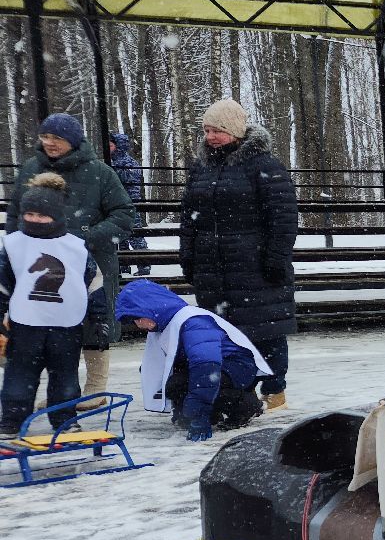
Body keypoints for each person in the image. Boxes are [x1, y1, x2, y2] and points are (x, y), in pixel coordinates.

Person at [8, 113, 137, 411]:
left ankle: (96, 388)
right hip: (40, 262)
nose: (50, 143)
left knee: (94, 322)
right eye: (46, 137)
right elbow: (16, 213)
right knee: (48, 325)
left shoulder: (100, 173)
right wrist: (17, 248)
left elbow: (124, 214)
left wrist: (86, 237)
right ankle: (61, 392)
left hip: (89, 261)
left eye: (58, 138)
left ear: (73, 141)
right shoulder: (31, 169)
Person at [180, 99, 298, 410]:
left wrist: (275, 260)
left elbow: (283, 218)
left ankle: (275, 390)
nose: (210, 136)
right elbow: (189, 217)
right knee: (224, 334)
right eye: (206, 130)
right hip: (213, 267)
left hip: (254, 266)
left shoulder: (265, 166)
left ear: (235, 131)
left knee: (267, 331)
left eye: (217, 130)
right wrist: (188, 256)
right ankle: (238, 393)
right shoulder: (201, 168)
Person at [0, 175, 107, 435]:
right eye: (30, 214)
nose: (35, 219)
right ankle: (12, 419)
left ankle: (65, 418)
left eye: (42, 215)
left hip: (66, 324)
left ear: (57, 216)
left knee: (65, 376)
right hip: (25, 324)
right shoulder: (13, 245)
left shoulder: (76, 248)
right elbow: (2, 284)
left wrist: (100, 318)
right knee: (19, 375)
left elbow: (93, 283)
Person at [115, 278, 271, 440]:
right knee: (174, 384)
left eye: (139, 318)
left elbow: (206, 368)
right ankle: (213, 412)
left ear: (152, 307)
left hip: (235, 367)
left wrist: (199, 416)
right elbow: (161, 367)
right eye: (134, 321)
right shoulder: (166, 324)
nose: (138, 325)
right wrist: (182, 412)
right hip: (212, 367)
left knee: (193, 383)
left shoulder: (194, 323)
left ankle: (245, 405)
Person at [108, 132, 149, 275]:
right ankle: (124, 265)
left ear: (119, 147)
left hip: (130, 204)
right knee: (120, 236)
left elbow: (127, 179)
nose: (108, 148)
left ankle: (144, 265)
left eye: (111, 145)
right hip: (117, 205)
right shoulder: (112, 162)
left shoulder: (128, 163)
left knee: (134, 234)